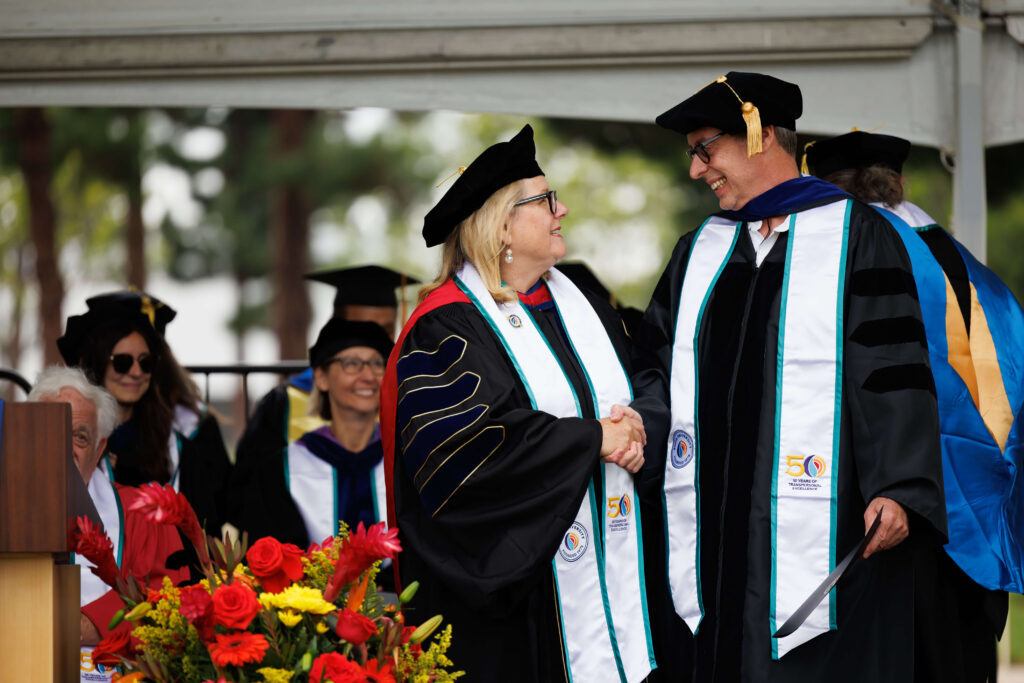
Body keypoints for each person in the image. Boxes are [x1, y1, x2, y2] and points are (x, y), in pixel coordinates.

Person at [635, 72, 947, 682]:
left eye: (705, 150)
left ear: (758, 136)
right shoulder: (698, 249)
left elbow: (894, 369)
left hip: (826, 532)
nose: (697, 170)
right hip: (709, 538)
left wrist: (902, 485)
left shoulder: (859, 236)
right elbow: (654, 364)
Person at [380, 124, 657, 682]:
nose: (564, 210)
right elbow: (468, 452)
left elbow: (646, 378)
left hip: (617, 570)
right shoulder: (447, 326)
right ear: (503, 223)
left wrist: (638, 424)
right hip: (522, 606)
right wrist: (592, 439)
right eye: (547, 200)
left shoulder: (583, 308)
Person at [806, 130, 1023, 683]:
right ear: (896, 180)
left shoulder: (859, 259)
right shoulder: (973, 270)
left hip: (892, 510)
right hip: (981, 508)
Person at [227, 265, 416, 537]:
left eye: (385, 332)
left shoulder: (410, 402)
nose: (375, 342)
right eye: (352, 362)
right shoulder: (284, 406)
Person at [28, 366, 188, 683]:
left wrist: (91, 622)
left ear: (99, 449)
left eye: (80, 436)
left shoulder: (143, 517)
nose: (65, 447)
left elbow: (172, 616)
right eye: (51, 431)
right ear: (27, 437)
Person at [57, 291, 232, 537]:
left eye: (145, 362)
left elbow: (206, 532)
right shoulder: (69, 442)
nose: (137, 372)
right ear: (97, 365)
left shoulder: (178, 449)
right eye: (122, 362)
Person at [229, 319, 393, 550]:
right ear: (321, 378)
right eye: (352, 363)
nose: (368, 376)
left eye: (377, 364)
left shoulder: (404, 463)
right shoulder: (282, 469)